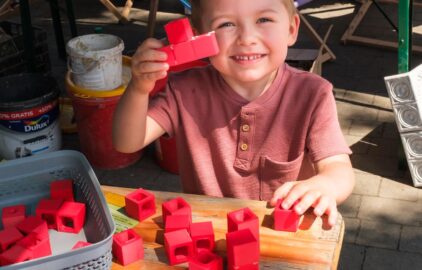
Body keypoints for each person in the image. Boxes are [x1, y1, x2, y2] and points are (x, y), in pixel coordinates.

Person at [113, 0, 355, 227]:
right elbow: (126, 142)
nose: (247, 38)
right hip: (207, 232)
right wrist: (138, 89)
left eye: (264, 20)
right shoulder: (183, 90)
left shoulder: (313, 94)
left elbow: (338, 168)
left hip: (281, 231)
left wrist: (325, 185)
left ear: (291, 29)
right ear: (198, 37)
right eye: (226, 24)